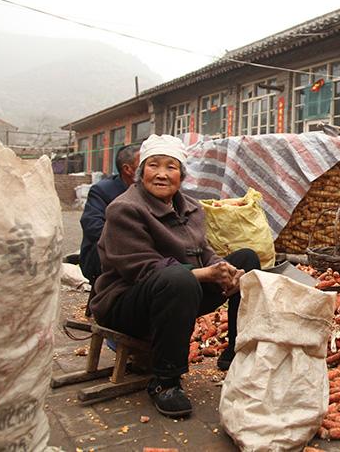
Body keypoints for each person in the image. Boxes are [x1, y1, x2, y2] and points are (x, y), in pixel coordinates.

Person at [89, 134, 260, 418]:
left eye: (171, 167)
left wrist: (223, 269)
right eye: (153, 166)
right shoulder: (124, 209)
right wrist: (205, 273)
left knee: (247, 260)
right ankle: (166, 381)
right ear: (140, 172)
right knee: (177, 278)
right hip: (127, 303)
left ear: (181, 175)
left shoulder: (190, 208)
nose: (161, 174)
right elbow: (144, 269)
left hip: (179, 294)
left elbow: (204, 252)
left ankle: (236, 352)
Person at [79, 144, 141, 286]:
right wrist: (132, 241)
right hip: (106, 253)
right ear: (127, 169)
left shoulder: (151, 191)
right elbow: (92, 225)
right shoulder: (102, 190)